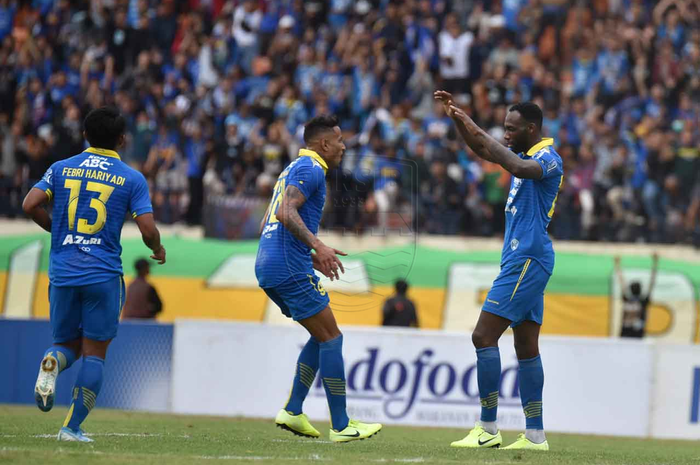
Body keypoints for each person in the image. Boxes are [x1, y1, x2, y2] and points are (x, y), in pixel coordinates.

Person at [22, 107, 166, 442]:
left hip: (62, 272)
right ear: (122, 139)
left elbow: (30, 204)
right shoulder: (131, 177)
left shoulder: (60, 168)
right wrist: (157, 248)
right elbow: (146, 227)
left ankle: (52, 360)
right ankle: (71, 428)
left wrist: (57, 231)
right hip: (101, 274)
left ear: (85, 135)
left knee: (65, 345)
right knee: (94, 353)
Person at [435, 91, 563, 451]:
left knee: (482, 336)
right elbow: (485, 151)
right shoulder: (523, 153)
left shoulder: (547, 158)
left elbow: (516, 167)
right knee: (526, 347)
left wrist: (474, 126)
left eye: (512, 129)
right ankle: (535, 435)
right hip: (522, 258)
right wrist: (460, 121)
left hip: (527, 258)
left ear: (532, 129)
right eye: (504, 128)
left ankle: (488, 427)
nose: (506, 134)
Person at [254, 115, 382, 443]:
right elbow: (285, 212)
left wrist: (310, 256)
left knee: (320, 336)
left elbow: (270, 221)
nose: (343, 147)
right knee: (332, 338)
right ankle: (341, 425)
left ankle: (294, 410)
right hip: (288, 268)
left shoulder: (292, 170)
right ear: (323, 143)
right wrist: (319, 246)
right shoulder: (310, 169)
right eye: (339, 141)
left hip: (273, 265)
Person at [614, 253, 659, 338]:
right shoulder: (642, 301)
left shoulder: (627, 299)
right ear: (640, 290)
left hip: (626, 335)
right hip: (637, 336)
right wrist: (655, 263)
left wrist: (617, 265)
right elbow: (651, 283)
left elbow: (622, 283)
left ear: (630, 290)